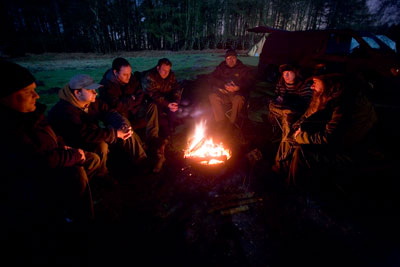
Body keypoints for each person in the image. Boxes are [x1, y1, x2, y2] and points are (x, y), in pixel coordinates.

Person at [0, 61, 100, 263]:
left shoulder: (33, 115)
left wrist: (68, 149)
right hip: (37, 179)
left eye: (36, 90)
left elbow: (55, 139)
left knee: (93, 158)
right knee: (78, 171)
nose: (37, 96)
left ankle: (88, 196)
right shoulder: (9, 130)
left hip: (61, 154)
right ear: (6, 96)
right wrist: (74, 154)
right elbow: (37, 161)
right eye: (29, 91)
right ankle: (81, 225)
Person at [273, 72, 377, 190]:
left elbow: (330, 138)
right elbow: (308, 117)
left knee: (302, 150)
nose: (312, 87)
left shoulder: (347, 103)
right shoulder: (330, 97)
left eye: (315, 82)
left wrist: (301, 137)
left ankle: (294, 191)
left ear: (329, 83)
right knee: (289, 135)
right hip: (335, 143)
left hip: (348, 150)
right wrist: (297, 129)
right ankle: (280, 174)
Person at [48, 74, 147, 176]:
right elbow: (83, 134)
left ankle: (141, 161)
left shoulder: (91, 102)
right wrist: (115, 133)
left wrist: (121, 124)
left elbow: (109, 112)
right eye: (91, 90)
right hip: (71, 146)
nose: (95, 93)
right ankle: (102, 175)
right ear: (78, 93)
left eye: (95, 89)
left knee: (124, 128)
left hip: (90, 135)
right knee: (101, 144)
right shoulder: (65, 111)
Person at [141, 58, 182, 172]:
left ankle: (169, 137)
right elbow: (152, 94)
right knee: (161, 118)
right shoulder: (150, 76)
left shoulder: (171, 75)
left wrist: (175, 102)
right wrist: (167, 104)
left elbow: (176, 89)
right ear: (158, 68)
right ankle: (160, 144)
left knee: (174, 113)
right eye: (163, 70)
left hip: (167, 102)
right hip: (152, 102)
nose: (165, 73)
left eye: (168, 71)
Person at [208, 49, 252, 129]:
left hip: (236, 95)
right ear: (225, 60)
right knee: (213, 96)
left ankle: (232, 124)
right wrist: (223, 85)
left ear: (236, 58)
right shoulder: (221, 68)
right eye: (228, 58)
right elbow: (211, 78)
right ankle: (220, 122)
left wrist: (238, 87)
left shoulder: (243, 69)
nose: (230, 60)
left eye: (233, 58)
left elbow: (249, 82)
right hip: (224, 94)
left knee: (238, 99)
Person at [268, 63, 313, 138]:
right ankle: (273, 133)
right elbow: (276, 95)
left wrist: (287, 101)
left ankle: (287, 139)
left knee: (288, 117)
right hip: (280, 110)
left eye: (288, 73)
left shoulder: (304, 86)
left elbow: (305, 104)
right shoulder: (281, 84)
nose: (285, 76)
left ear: (296, 73)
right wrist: (276, 99)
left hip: (295, 113)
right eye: (283, 74)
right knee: (271, 107)